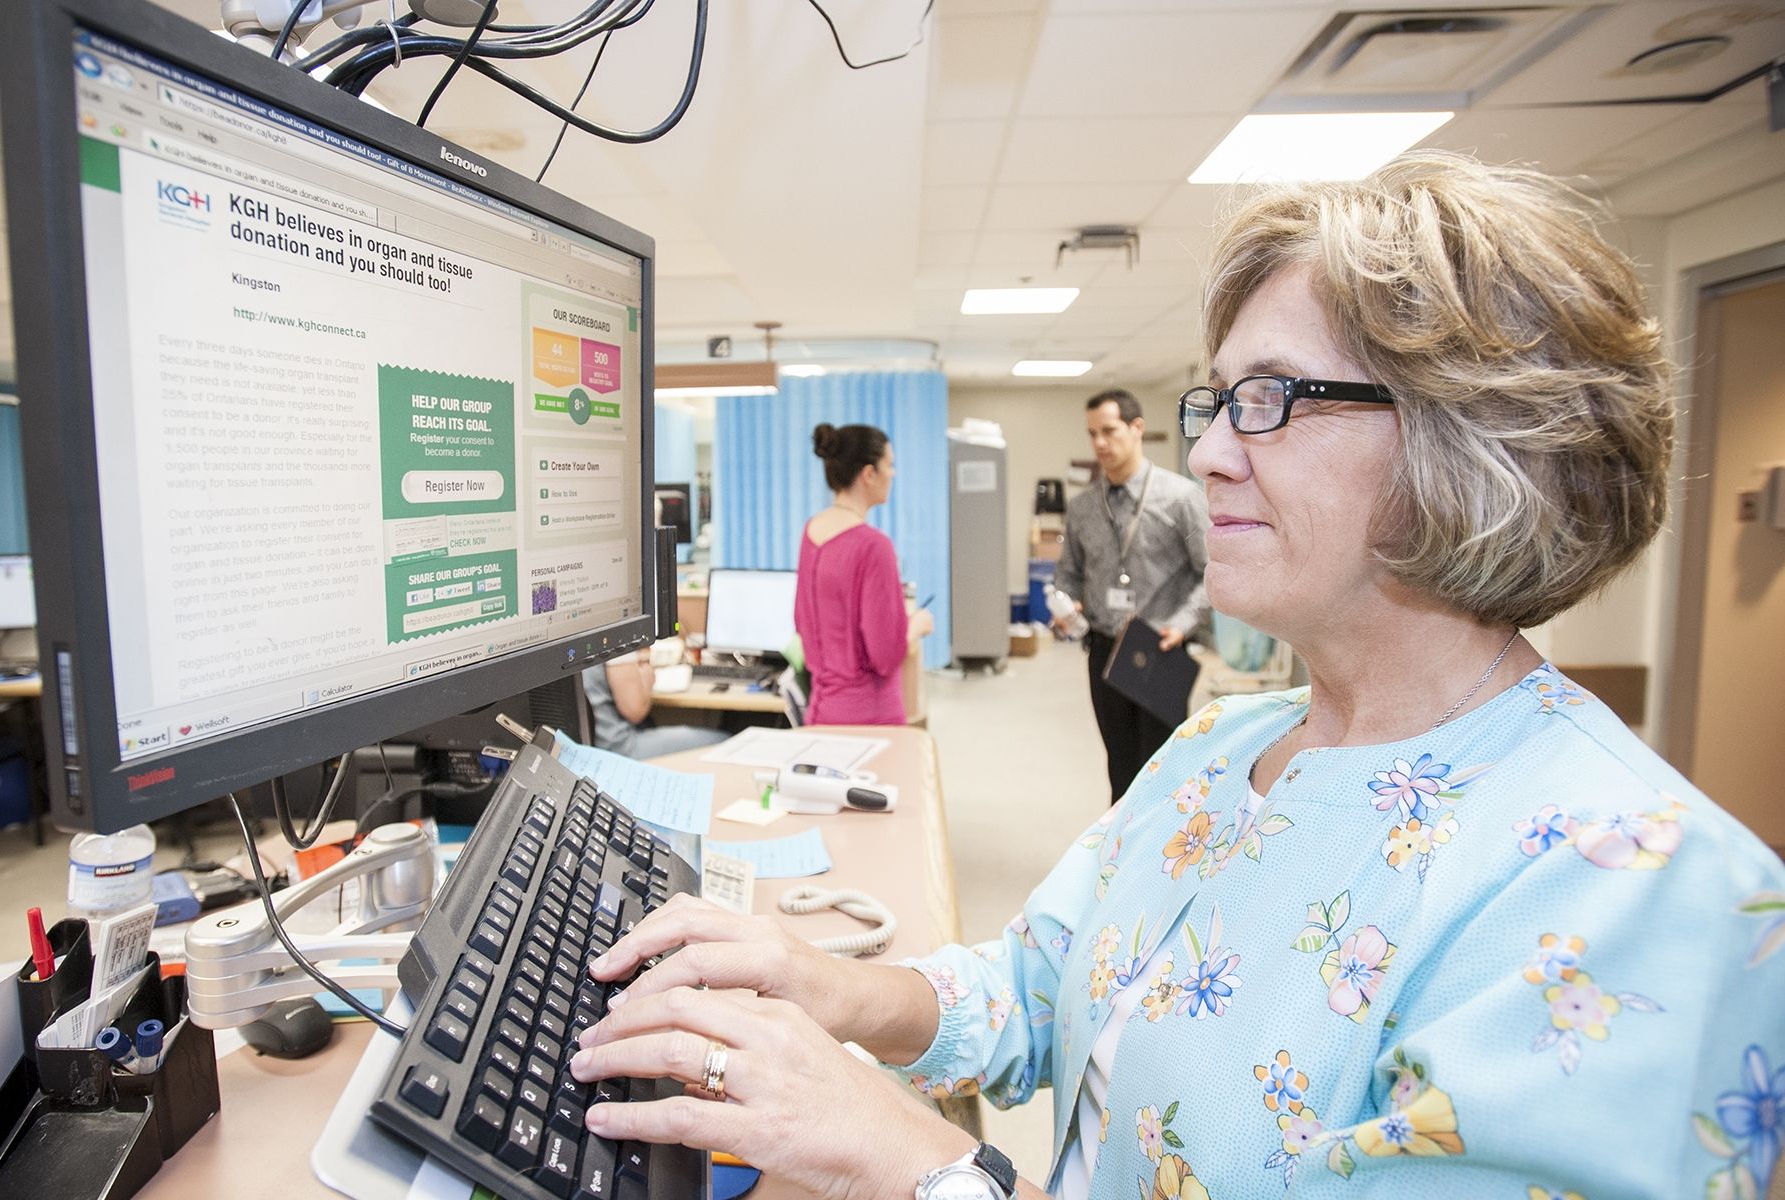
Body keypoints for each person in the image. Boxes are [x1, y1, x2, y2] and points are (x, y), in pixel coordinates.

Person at [565, 154, 1785, 1197]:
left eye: (1268, 402)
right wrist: (829, 986)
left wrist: (915, 1162)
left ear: (1474, 440)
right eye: (1216, 401)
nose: (1205, 450)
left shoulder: (1631, 896)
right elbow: (1033, 991)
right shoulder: (1225, 747)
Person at [1053, 389, 1211, 804]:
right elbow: (1068, 573)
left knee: (1161, 771)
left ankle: (1162, 862)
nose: (1100, 443)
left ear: (1136, 428)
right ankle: (1119, 862)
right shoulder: (1084, 507)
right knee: (1119, 767)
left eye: (1109, 431)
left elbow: (1212, 573)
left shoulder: (1180, 498)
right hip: (1103, 649)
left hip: (1158, 648)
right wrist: (1067, 606)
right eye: (1092, 434)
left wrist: (1179, 626)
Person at [793, 422, 934, 725]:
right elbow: (885, 654)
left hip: (821, 712)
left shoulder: (811, 532)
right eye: (889, 465)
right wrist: (917, 625)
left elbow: (802, 621)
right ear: (869, 474)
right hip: (870, 718)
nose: (893, 474)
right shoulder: (874, 546)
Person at [581, 648, 728, 759]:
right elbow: (635, 711)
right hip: (617, 748)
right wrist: (647, 679)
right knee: (724, 741)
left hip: (583, 747)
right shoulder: (615, 637)